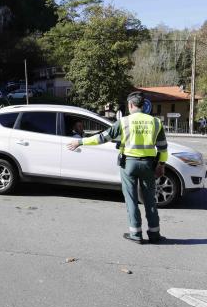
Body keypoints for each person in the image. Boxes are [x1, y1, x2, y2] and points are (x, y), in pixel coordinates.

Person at [66, 91, 169, 244]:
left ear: (131, 105)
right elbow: (163, 148)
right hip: (148, 164)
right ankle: (154, 234)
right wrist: (161, 165)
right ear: (143, 105)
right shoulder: (155, 122)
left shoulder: (124, 122)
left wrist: (80, 142)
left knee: (132, 199)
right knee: (149, 200)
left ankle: (136, 234)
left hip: (129, 164)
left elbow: (103, 137)